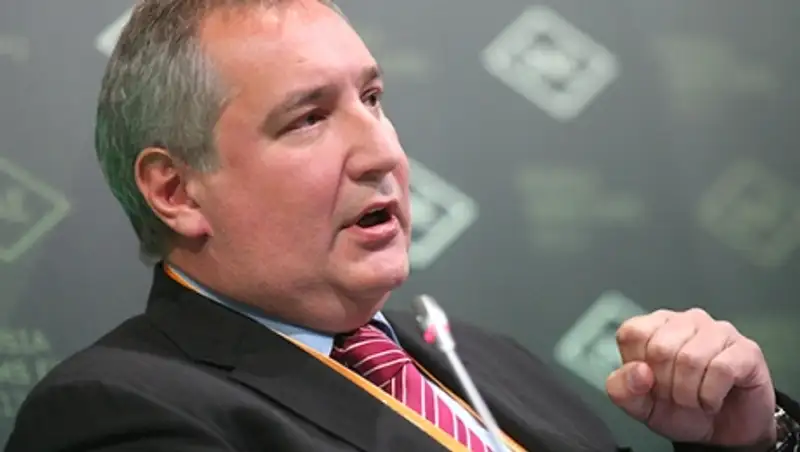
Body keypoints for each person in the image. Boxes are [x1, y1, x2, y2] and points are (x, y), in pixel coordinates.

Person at [5, 0, 799, 451]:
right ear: (176, 190)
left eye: (373, 99)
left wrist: (743, 445)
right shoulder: (114, 414)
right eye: (309, 118)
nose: (383, 150)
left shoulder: (481, 357)